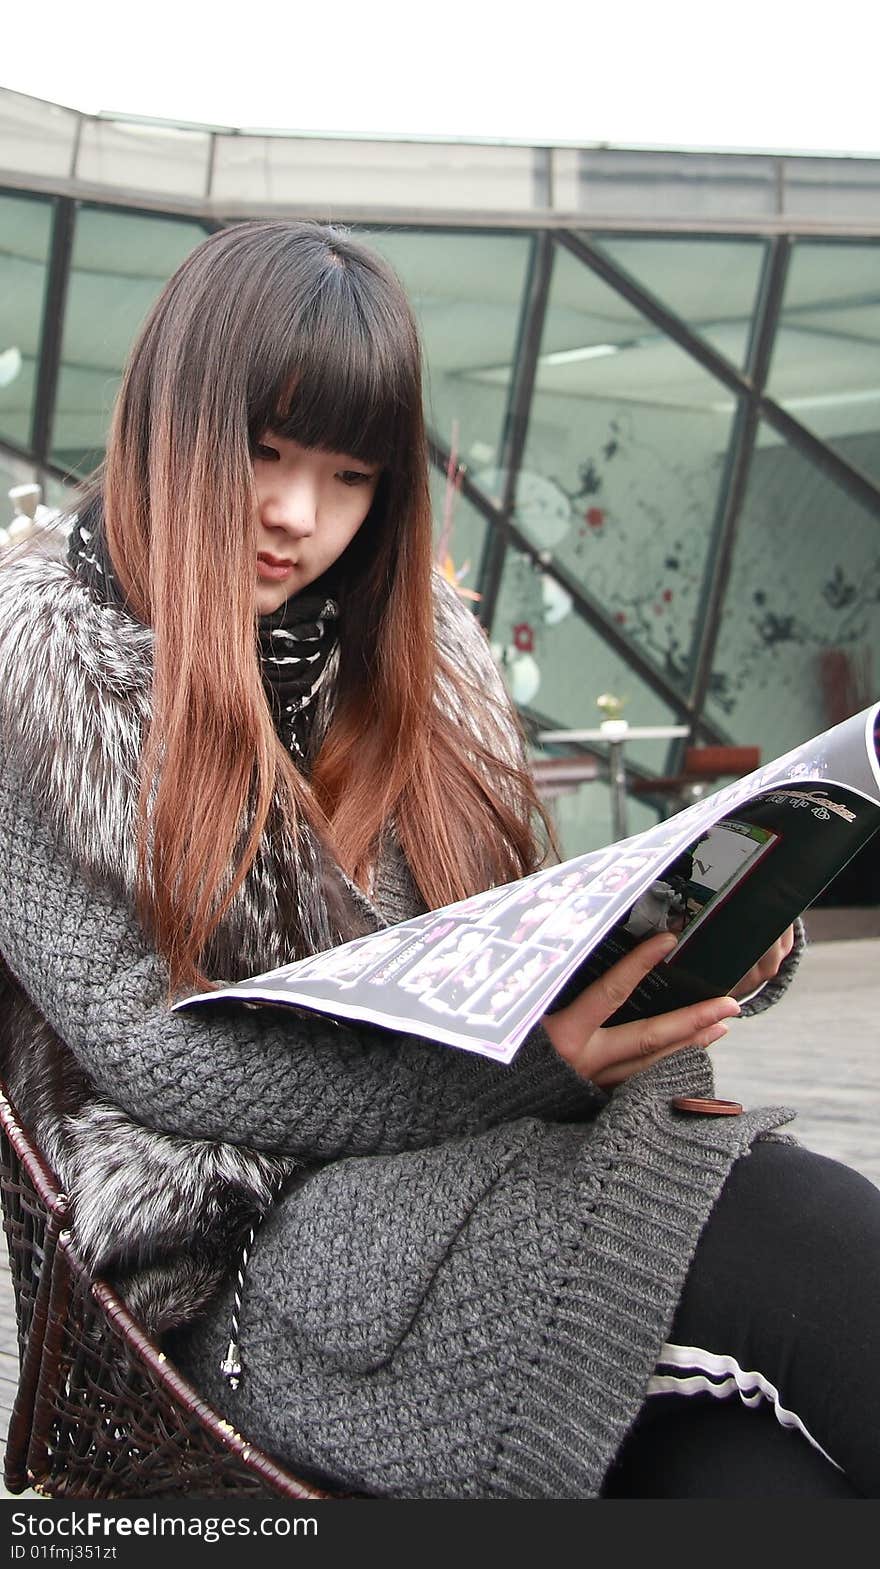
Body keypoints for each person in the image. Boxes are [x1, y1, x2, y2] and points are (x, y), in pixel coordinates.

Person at [0, 220, 877, 1501]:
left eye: (349, 476)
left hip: (467, 1173)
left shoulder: (417, 664)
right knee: (806, 1245)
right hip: (231, 1262)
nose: (299, 515)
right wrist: (541, 1071)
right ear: (169, 422)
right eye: (263, 451)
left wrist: (706, 928)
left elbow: (509, 932)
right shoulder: (37, 682)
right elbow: (164, 1058)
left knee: (762, 1479)